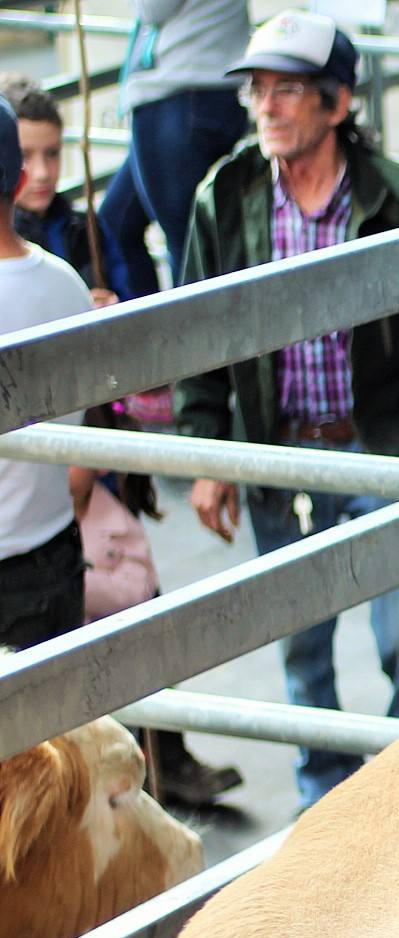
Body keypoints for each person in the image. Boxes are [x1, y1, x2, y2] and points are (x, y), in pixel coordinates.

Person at [175, 10, 399, 810]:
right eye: (258, 90)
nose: (267, 108)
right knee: (303, 646)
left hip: (381, 447)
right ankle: (326, 803)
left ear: (337, 103)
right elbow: (195, 330)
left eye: (288, 91)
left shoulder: (394, 193)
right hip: (276, 451)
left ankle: (398, 788)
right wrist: (208, 456)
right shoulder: (228, 194)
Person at [0, 94, 93, 653]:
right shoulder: (66, 284)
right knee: (52, 739)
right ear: (18, 179)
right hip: (51, 552)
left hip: (25, 554)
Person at [96, 0, 250, 299]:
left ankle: (183, 339)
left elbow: (153, 9)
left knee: (189, 249)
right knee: (118, 221)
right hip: (210, 89)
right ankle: (149, 332)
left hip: (180, 91)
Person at [1, 79, 119, 307]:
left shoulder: (88, 230)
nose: (43, 173)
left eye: (52, 153)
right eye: (25, 155)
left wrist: (115, 309)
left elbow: (134, 296)